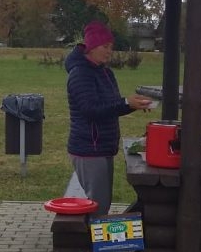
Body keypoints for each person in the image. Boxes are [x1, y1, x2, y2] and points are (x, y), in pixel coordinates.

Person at [65, 21, 151, 216]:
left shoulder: (105, 72)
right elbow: (90, 110)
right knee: (97, 204)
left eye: (111, 47)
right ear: (92, 47)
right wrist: (126, 103)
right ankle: (88, 244)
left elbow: (112, 107)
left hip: (103, 147)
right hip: (88, 148)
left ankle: (94, 241)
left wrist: (133, 105)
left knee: (102, 202)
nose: (109, 51)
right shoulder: (80, 74)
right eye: (105, 46)